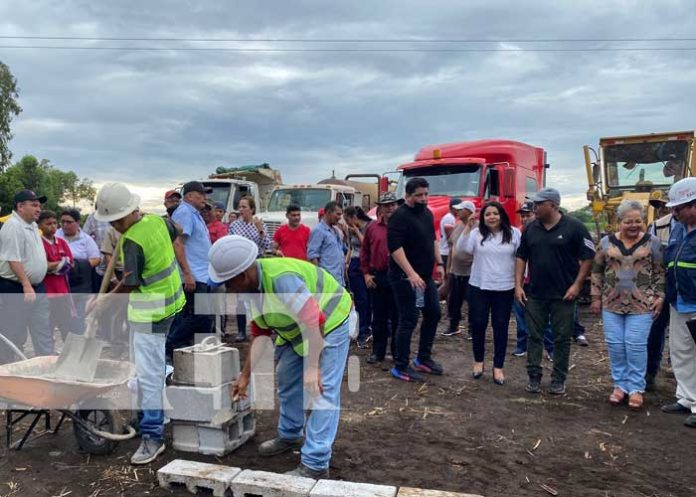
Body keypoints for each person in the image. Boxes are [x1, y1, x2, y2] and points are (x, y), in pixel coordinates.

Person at [212, 235, 353, 479]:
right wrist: (244, 376)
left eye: (229, 283)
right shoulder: (252, 289)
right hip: (297, 330)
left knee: (321, 390)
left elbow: (314, 321)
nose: (228, 290)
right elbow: (260, 334)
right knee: (287, 378)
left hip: (329, 322)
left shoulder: (281, 280)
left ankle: (315, 463)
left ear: (242, 276)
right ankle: (290, 434)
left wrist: (312, 367)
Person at [93, 182, 186, 464]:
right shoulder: (158, 221)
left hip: (150, 312)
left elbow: (131, 283)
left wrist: (105, 300)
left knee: (148, 375)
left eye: (116, 222)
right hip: (172, 302)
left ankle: (152, 436)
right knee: (152, 367)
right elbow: (177, 232)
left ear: (126, 215)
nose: (115, 227)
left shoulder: (132, 240)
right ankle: (151, 415)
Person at [515, 188, 595, 395]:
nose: (535, 208)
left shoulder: (575, 227)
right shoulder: (531, 228)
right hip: (535, 294)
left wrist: (577, 285)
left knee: (561, 338)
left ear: (552, 205)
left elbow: (588, 257)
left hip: (564, 294)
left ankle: (558, 378)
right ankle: (533, 376)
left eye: (539, 204)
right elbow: (521, 256)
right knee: (534, 336)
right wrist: (518, 285)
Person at [591, 200, 664, 409]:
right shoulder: (605, 243)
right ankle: (619, 385)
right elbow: (596, 271)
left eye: (638, 221)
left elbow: (660, 272)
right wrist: (595, 297)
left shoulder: (654, 243)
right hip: (611, 303)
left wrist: (659, 296)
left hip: (642, 304)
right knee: (615, 345)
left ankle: (636, 388)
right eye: (628, 221)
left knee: (635, 346)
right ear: (619, 222)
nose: (633, 225)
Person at [458, 201, 521, 385]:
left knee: (500, 327)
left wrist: (519, 284)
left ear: (501, 215)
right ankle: (478, 362)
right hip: (479, 286)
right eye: (487, 214)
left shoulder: (514, 233)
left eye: (495, 213)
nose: (491, 217)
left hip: (504, 287)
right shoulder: (477, 234)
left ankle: (498, 367)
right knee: (478, 325)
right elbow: (462, 251)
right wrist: (467, 229)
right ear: (482, 218)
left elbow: (521, 259)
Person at [388, 177, 445, 382]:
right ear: (408, 195)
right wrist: (411, 274)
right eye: (419, 195)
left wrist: (439, 264)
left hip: (424, 278)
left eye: (426, 194)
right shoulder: (399, 217)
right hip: (405, 278)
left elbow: (433, 240)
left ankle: (423, 358)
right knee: (409, 319)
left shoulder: (427, 214)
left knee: (433, 313)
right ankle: (401, 365)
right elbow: (395, 248)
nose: (424, 198)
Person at [0, 190, 52, 363]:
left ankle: (46, 367)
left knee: (43, 330)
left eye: (39, 205)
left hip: (36, 287)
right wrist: (26, 284)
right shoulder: (12, 226)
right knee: (13, 332)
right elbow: (13, 259)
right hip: (17, 287)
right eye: (34, 205)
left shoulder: (33, 225)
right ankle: (7, 375)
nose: (39, 209)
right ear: (20, 207)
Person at [661, 178, 696, 428]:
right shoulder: (678, 230)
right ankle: (687, 398)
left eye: (678, 208)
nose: (674, 213)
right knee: (681, 351)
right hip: (679, 300)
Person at [166, 181, 214, 357]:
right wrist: (187, 273)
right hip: (193, 275)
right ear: (189, 196)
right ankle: (170, 345)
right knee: (201, 316)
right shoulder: (185, 212)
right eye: (201, 194)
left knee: (197, 318)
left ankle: (191, 354)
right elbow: (177, 243)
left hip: (201, 274)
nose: (204, 198)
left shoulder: (194, 214)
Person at [362, 193, 402, 364]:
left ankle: (397, 351)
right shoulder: (372, 228)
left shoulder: (403, 226)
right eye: (386, 205)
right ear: (381, 208)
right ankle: (378, 352)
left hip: (399, 277)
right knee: (378, 317)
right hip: (378, 276)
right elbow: (365, 252)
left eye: (392, 205)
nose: (390, 208)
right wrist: (365, 274)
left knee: (397, 317)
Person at [511, 201, 554, 358]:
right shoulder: (517, 234)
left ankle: (550, 348)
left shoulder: (543, 234)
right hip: (522, 281)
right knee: (520, 316)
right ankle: (522, 345)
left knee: (544, 318)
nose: (524, 219)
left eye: (527, 215)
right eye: (522, 216)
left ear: (535, 215)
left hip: (539, 282)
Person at [229, 195, 272, 341]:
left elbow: (267, 245)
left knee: (258, 297)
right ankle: (241, 331)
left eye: (244, 207)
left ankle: (262, 328)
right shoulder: (235, 225)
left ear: (252, 209)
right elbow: (230, 244)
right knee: (241, 299)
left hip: (256, 264)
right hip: (240, 265)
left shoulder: (260, 223)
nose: (241, 210)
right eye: (240, 207)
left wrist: (260, 231)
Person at [646, 197, 677, 388]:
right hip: (662, 287)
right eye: (659, 207)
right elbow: (651, 260)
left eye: (664, 205)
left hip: (687, 288)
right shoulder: (657, 227)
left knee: (686, 334)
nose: (662, 209)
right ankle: (649, 374)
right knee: (654, 332)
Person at [57, 209, 102, 333]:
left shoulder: (86, 240)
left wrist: (77, 266)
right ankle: (66, 340)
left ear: (77, 223)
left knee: (78, 316)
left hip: (80, 283)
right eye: (63, 222)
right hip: (60, 284)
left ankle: (77, 340)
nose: (65, 225)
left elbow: (96, 259)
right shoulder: (55, 236)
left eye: (69, 222)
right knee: (64, 317)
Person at [39, 210, 75, 341]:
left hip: (63, 291)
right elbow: (42, 266)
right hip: (46, 292)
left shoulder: (61, 242)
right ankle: (48, 355)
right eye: (48, 223)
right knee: (47, 326)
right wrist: (60, 263)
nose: (53, 226)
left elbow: (71, 263)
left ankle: (67, 353)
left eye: (55, 223)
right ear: (39, 225)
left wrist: (54, 265)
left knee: (66, 323)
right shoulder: (38, 243)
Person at [443, 200, 475, 337]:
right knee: (454, 300)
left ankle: (472, 329)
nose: (457, 211)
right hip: (456, 271)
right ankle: (453, 325)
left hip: (470, 272)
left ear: (468, 211)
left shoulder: (476, 227)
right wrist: (448, 267)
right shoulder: (457, 226)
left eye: (461, 209)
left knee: (473, 302)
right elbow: (452, 248)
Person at [344, 205, 373, 348]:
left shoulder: (369, 227)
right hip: (355, 264)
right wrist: (346, 261)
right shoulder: (349, 231)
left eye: (347, 220)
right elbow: (350, 247)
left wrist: (356, 231)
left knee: (369, 298)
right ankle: (362, 330)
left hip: (367, 263)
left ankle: (366, 328)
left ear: (354, 218)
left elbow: (367, 245)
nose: (346, 223)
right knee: (361, 300)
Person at [308, 201, 347, 286]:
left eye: (340, 215)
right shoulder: (318, 230)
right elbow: (312, 255)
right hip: (327, 281)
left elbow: (343, 250)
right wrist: (320, 278)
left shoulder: (335, 231)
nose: (339, 218)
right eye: (337, 214)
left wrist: (346, 234)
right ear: (328, 213)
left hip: (338, 280)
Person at [83, 208, 112, 293]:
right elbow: (84, 237)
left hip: (121, 268)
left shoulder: (124, 215)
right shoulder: (93, 217)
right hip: (100, 268)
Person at [439, 198, 461, 272]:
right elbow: (450, 237)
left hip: (446, 251)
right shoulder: (449, 218)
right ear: (453, 208)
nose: (460, 211)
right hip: (446, 252)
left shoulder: (451, 217)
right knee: (448, 275)